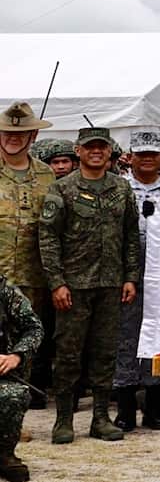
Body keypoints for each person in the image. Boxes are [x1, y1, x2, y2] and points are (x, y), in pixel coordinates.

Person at [38, 126, 141, 444]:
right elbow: (48, 237)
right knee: (68, 354)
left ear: (110, 152)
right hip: (74, 286)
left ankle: (100, 418)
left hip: (110, 284)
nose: (96, 151)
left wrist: (130, 277)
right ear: (78, 151)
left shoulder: (121, 189)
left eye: (102, 147)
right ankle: (64, 420)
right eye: (89, 147)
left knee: (105, 353)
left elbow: (131, 236)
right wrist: (56, 282)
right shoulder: (63, 190)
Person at [113, 131, 160, 432]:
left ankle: (156, 408)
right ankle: (125, 409)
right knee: (124, 338)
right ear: (130, 156)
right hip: (125, 275)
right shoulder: (117, 188)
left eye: (152, 154)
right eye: (140, 153)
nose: (146, 159)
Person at [0, 102, 56, 408]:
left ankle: (13, 414)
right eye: (8, 131)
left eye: (21, 133)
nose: (13, 138)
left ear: (33, 135)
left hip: (33, 278)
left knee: (25, 346)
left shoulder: (47, 176)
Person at [0, 272, 43, 482]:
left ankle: (4, 455)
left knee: (13, 395)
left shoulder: (5, 290)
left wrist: (16, 356)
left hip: (2, 372)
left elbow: (34, 328)